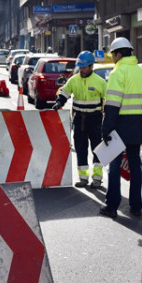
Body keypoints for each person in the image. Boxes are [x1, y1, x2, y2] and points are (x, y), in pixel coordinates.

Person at [100, 37, 142, 218]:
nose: (112, 58)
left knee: (114, 167)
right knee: (135, 165)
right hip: (138, 125)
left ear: (119, 54)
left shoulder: (118, 73)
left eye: (113, 55)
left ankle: (112, 206)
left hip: (120, 126)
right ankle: (136, 206)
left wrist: (106, 129)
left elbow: (112, 105)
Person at [53, 51, 107, 188]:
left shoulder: (100, 82)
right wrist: (59, 102)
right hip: (79, 120)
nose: (81, 70)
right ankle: (83, 178)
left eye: (84, 67)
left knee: (98, 150)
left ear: (91, 67)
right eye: (80, 67)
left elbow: (109, 101)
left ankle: (97, 178)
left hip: (95, 120)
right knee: (81, 149)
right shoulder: (74, 80)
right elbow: (64, 92)